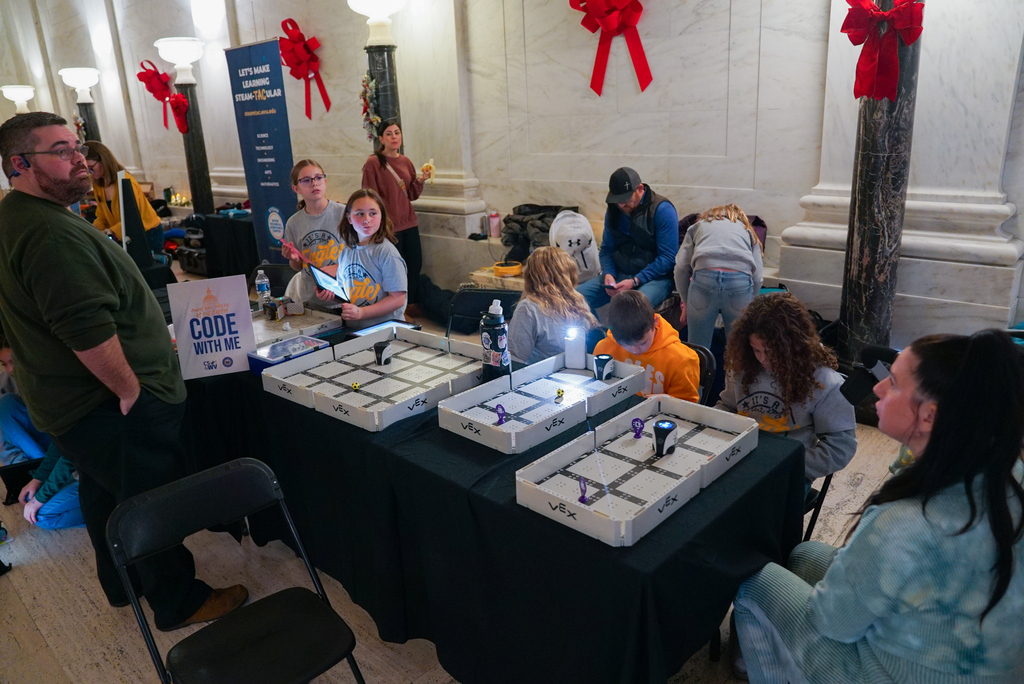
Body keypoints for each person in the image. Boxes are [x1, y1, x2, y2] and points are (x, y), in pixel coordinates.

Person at [0, 112, 246, 631]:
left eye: (77, 147)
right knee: (149, 500)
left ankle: (122, 582)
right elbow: (84, 327)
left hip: (77, 405)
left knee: (104, 491)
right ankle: (179, 601)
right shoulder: (47, 233)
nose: (80, 160)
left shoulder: (22, 216)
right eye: (61, 151)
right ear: (19, 164)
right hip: (108, 405)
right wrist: (130, 389)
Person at [732, 330, 1024, 683]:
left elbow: (832, 623)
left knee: (753, 582)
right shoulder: (1007, 470)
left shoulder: (901, 523)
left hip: (898, 674)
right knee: (804, 554)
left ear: (929, 416)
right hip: (982, 659)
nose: (879, 388)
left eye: (895, 383)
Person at [717, 293, 856, 488]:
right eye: (756, 350)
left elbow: (840, 448)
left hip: (789, 471)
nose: (763, 359)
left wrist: (789, 466)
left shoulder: (825, 382)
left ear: (793, 346)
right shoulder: (743, 365)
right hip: (740, 459)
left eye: (772, 352)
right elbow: (728, 407)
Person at [577, 167, 679, 314]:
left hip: (655, 279)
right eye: (617, 200)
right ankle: (595, 329)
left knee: (631, 309)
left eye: (626, 199)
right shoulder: (614, 210)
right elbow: (606, 249)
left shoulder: (662, 210)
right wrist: (609, 273)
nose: (621, 205)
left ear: (640, 189)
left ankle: (616, 330)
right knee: (573, 300)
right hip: (620, 274)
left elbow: (668, 258)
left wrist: (635, 281)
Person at [360, 120, 432, 317]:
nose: (394, 137)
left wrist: (421, 180)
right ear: (381, 139)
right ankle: (397, 308)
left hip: (409, 222)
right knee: (395, 269)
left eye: (397, 133)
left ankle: (411, 304)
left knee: (414, 264)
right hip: (389, 226)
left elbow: (411, 194)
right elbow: (369, 196)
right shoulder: (374, 163)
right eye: (389, 134)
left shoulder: (406, 161)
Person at [673, 203, 764, 350]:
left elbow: (681, 268)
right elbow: (757, 277)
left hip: (704, 280)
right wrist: (749, 303)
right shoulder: (747, 230)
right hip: (739, 283)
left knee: (698, 350)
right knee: (739, 350)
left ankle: (699, 364)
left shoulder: (699, 226)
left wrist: (686, 301)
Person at [316, 188, 407, 330]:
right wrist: (330, 294)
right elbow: (347, 293)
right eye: (360, 214)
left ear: (381, 216)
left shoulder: (386, 253)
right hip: (356, 329)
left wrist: (362, 313)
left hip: (386, 330)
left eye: (373, 213)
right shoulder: (346, 252)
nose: (367, 220)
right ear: (349, 218)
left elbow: (398, 299)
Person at [593, 290, 699, 402]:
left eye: (643, 343)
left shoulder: (682, 359)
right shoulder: (604, 348)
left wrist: (666, 401)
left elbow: (688, 405)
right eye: (625, 344)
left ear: (655, 321)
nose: (635, 350)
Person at [508, 246, 599, 365]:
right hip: (577, 370)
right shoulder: (579, 301)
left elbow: (515, 359)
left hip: (539, 374)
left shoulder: (528, 308)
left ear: (531, 275)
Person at [279, 159, 345, 303]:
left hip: (345, 297)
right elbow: (297, 267)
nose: (314, 183)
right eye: (306, 180)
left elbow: (363, 255)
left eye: (318, 178)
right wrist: (294, 259)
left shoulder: (344, 214)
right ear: (296, 188)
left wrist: (338, 268)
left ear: (325, 181)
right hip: (311, 300)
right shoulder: (293, 223)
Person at [84, 140, 161, 243]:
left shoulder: (125, 181)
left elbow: (132, 218)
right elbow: (102, 216)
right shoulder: (99, 185)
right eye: (86, 170)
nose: (90, 173)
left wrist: (109, 232)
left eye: (91, 168)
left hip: (148, 233)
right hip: (125, 233)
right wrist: (92, 230)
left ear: (103, 161)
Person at [18, 442, 84, 530]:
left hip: (96, 476)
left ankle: (101, 512)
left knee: (43, 518)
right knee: (29, 497)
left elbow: (69, 458)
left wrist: (39, 499)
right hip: (79, 470)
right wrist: (38, 479)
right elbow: (59, 444)